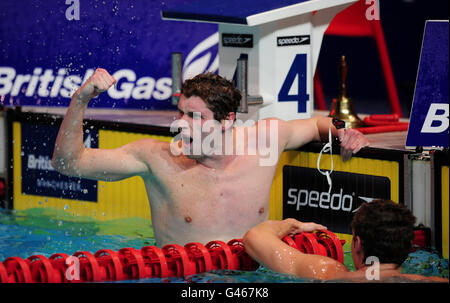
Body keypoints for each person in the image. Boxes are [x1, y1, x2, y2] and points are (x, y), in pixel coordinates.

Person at [52, 68, 369, 246]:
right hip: (185, 279)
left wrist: (343, 131)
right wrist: (81, 98)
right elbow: (68, 163)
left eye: (195, 117)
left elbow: (316, 124)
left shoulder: (265, 141)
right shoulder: (157, 158)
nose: (181, 124)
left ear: (228, 120)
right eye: (180, 113)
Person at [243, 199, 449, 282]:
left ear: (357, 243)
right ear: (407, 248)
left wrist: (292, 224)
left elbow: (255, 237)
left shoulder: (327, 273)